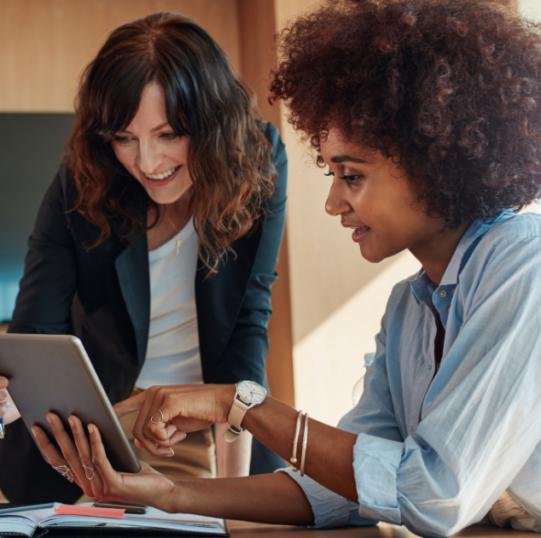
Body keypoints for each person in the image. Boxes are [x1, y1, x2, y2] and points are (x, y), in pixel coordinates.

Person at [35, 0, 541, 535]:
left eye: (350, 176)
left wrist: (241, 403)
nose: (332, 203)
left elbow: (434, 493)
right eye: (332, 172)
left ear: (433, 162)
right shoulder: (407, 311)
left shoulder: (523, 263)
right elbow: (342, 490)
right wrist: (171, 493)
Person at [0, 12, 288, 504]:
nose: (148, 163)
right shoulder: (84, 177)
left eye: (170, 134)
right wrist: (5, 394)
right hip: (94, 438)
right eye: (125, 138)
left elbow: (246, 326)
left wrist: (233, 499)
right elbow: (36, 332)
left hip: (211, 431)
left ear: (213, 122)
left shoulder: (256, 162)